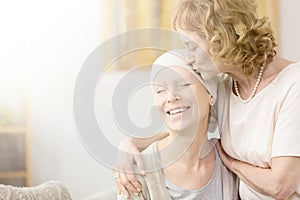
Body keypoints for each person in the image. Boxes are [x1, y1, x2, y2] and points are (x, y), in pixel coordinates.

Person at [114, 0, 300, 199]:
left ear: (220, 39)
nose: (188, 58)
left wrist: (231, 163)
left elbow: (280, 186)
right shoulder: (225, 85)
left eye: (191, 47)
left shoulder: (293, 85)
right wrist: (131, 144)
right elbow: (187, 127)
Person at [116, 50, 239, 200]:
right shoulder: (136, 172)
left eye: (184, 84)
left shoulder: (232, 162)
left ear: (210, 95)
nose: (171, 97)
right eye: (160, 90)